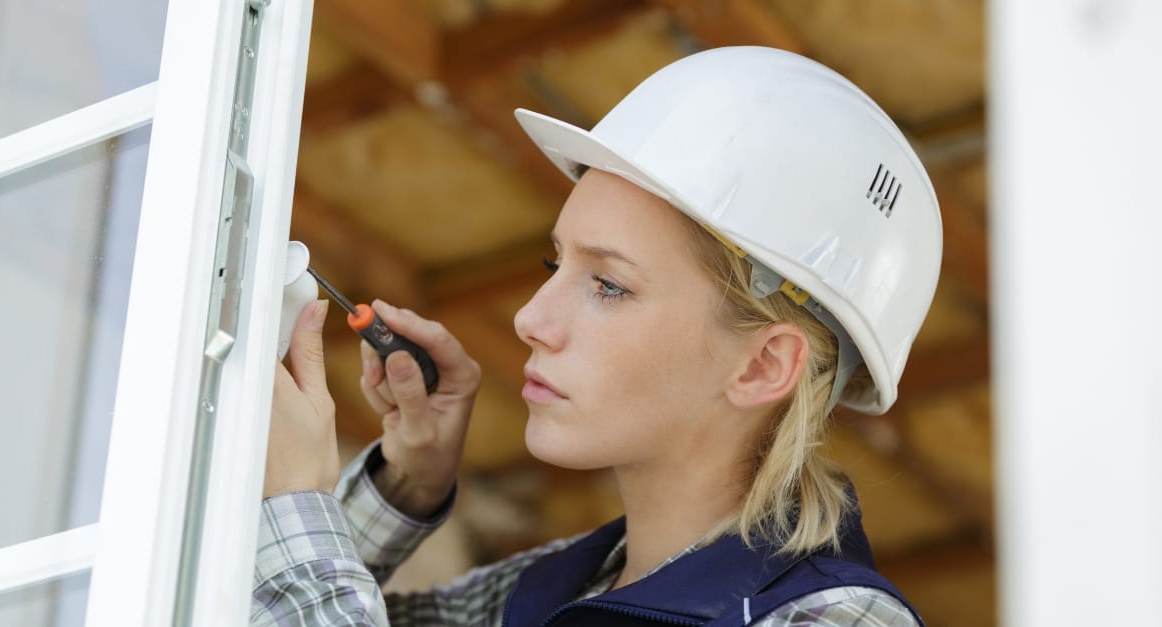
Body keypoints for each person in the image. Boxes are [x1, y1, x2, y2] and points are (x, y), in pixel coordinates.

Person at [252, 46, 941, 626]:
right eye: (557, 263)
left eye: (609, 284)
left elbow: (304, 589)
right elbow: (243, 604)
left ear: (763, 365)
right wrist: (404, 485)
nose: (529, 319)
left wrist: (298, 505)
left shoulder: (838, 619)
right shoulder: (542, 594)